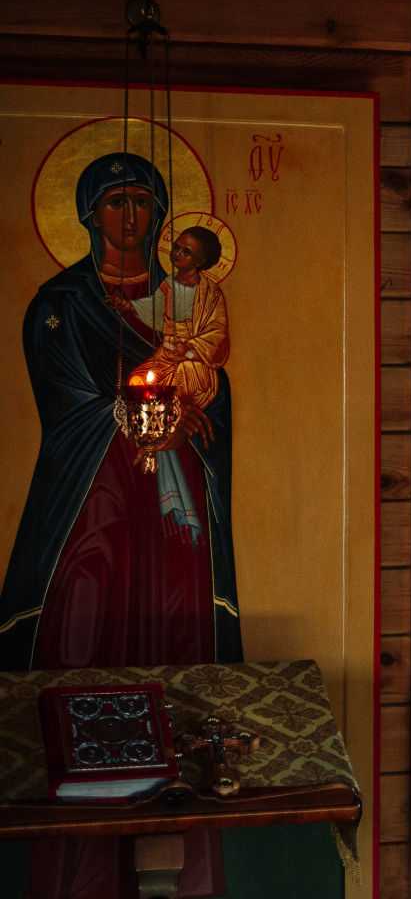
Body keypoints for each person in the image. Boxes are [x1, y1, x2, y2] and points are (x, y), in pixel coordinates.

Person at [0, 152, 238, 896]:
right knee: (82, 629)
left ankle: (183, 868)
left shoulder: (188, 300)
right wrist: (130, 412)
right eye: (114, 203)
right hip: (94, 502)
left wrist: (190, 414)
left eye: (142, 201)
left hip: (170, 515)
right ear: (86, 214)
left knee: (178, 642)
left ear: (164, 216)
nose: (129, 216)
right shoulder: (60, 302)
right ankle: (77, 875)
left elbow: (213, 394)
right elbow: (62, 401)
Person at [119, 224, 230, 411]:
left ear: (200, 261)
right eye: (176, 247)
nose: (177, 253)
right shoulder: (169, 283)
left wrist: (189, 346)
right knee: (137, 381)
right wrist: (130, 306)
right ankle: (152, 428)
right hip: (165, 356)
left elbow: (217, 332)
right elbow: (154, 308)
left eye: (186, 252)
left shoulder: (211, 291)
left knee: (182, 383)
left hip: (193, 361)